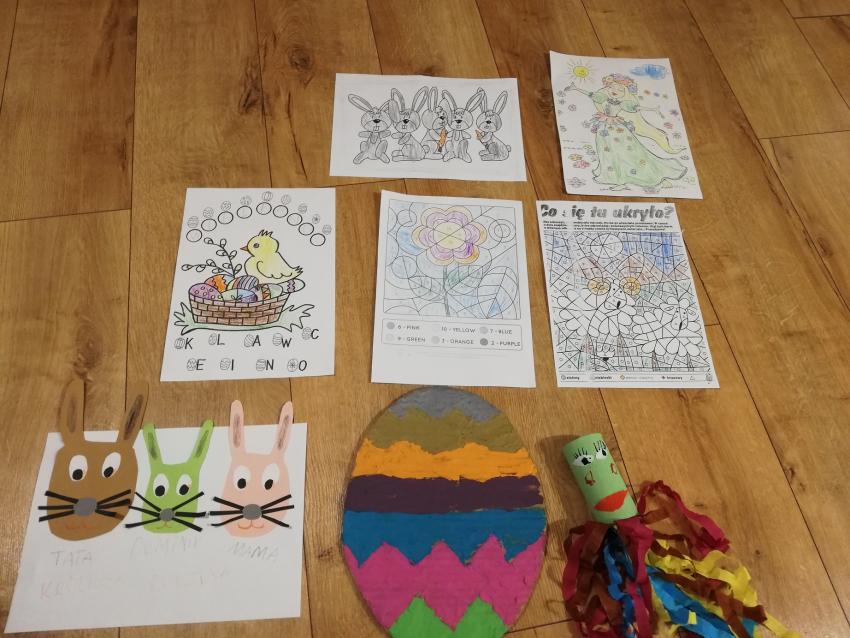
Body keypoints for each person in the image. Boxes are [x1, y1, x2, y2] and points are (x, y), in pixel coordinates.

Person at [567, 73, 685, 191]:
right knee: (608, 154)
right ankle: (617, 179)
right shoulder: (603, 98)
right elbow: (591, 94)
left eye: (620, 89)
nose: (614, 91)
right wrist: (575, 88)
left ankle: (654, 179)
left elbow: (636, 108)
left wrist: (652, 109)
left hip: (618, 130)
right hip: (603, 129)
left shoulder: (623, 103)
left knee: (628, 154)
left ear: (626, 92)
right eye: (611, 87)